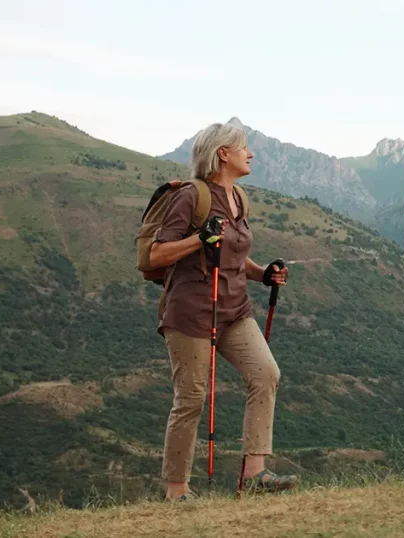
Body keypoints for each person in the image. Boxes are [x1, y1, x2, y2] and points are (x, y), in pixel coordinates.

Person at [148, 122, 297, 500]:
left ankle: (255, 473)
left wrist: (263, 274)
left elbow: (232, 255)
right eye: (244, 148)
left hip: (234, 308)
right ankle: (177, 491)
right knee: (192, 398)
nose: (251, 154)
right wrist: (199, 238)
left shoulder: (240, 199)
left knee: (266, 373)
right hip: (191, 312)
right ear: (222, 154)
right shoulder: (191, 198)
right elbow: (158, 254)